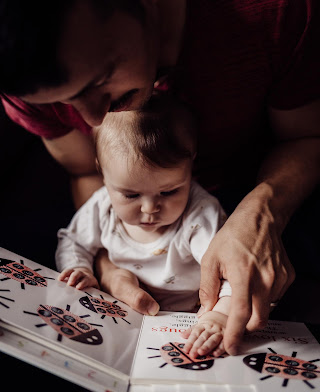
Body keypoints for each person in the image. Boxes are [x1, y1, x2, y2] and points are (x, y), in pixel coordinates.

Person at [0, 0, 319, 356]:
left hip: (256, 188)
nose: (93, 119)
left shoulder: (274, 13)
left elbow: (306, 139)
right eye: (65, 102)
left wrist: (261, 215)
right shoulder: (20, 78)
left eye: (100, 79)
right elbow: (85, 174)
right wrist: (103, 267)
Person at [56, 95, 231, 357]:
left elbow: (228, 269)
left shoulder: (199, 213)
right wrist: (79, 268)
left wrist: (221, 315)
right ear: (102, 172)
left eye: (169, 191)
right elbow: (73, 241)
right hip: (122, 314)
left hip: (188, 319)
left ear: (190, 167)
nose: (150, 209)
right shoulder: (102, 205)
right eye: (131, 195)